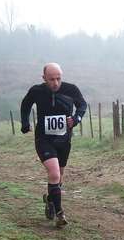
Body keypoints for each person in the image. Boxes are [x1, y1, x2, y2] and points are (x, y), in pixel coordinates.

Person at [20, 63, 87, 228]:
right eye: (51, 79)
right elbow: (25, 104)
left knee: (59, 177)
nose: (55, 83)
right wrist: (25, 123)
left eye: (58, 78)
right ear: (44, 78)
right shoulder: (36, 91)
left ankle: (50, 199)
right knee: (54, 173)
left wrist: (76, 119)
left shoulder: (71, 89)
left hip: (64, 140)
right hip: (44, 140)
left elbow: (82, 105)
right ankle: (59, 213)